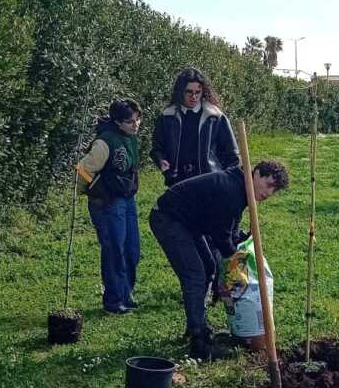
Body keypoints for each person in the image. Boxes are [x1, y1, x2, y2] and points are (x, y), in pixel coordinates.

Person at [149, 161, 290, 361]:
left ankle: (196, 326)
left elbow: (229, 228)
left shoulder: (240, 188)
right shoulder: (231, 190)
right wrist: (235, 259)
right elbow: (220, 236)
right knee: (195, 275)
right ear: (256, 173)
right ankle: (199, 343)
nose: (269, 193)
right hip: (168, 218)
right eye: (269, 185)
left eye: (274, 191)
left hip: (189, 223)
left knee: (208, 268)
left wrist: (237, 242)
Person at [76, 98, 143, 315]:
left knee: (132, 249)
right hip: (108, 203)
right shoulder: (104, 143)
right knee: (115, 249)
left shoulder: (130, 138)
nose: (135, 125)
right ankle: (113, 300)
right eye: (129, 121)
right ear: (116, 122)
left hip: (127, 199)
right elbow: (81, 169)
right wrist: (91, 189)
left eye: (137, 119)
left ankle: (125, 293)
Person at [150, 67, 239, 187]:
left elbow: (231, 153)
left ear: (203, 92)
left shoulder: (215, 117)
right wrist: (161, 161)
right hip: (178, 182)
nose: (194, 96)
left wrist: (228, 181)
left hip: (210, 181)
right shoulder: (167, 117)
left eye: (197, 92)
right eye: (189, 92)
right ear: (181, 91)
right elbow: (157, 148)